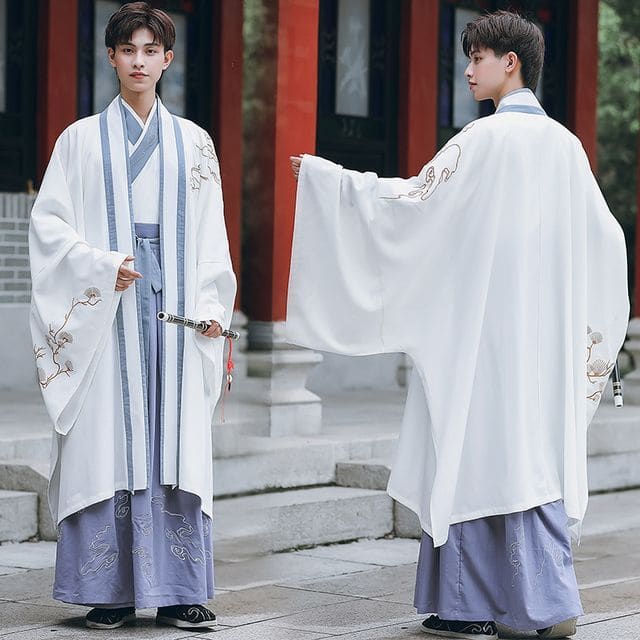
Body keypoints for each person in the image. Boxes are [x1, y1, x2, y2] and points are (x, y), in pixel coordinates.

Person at [287, 10, 628, 640]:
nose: (468, 70)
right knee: (532, 455)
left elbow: (416, 206)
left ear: (511, 63)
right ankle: (544, 598)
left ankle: (476, 606)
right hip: (543, 342)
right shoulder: (567, 147)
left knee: (475, 453)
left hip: (482, 337)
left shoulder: (483, 140)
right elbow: (607, 241)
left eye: (477, 58)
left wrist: (331, 183)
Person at [29, 2, 235, 630]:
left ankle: (180, 590)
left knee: (172, 437)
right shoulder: (78, 141)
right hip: (108, 305)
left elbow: (211, 236)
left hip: (174, 306)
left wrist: (209, 307)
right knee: (108, 438)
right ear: (111, 58)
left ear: (167, 59)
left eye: (150, 51)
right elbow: (49, 227)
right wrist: (99, 266)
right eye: (128, 50)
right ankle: (109, 591)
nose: (139, 61)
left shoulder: (194, 142)